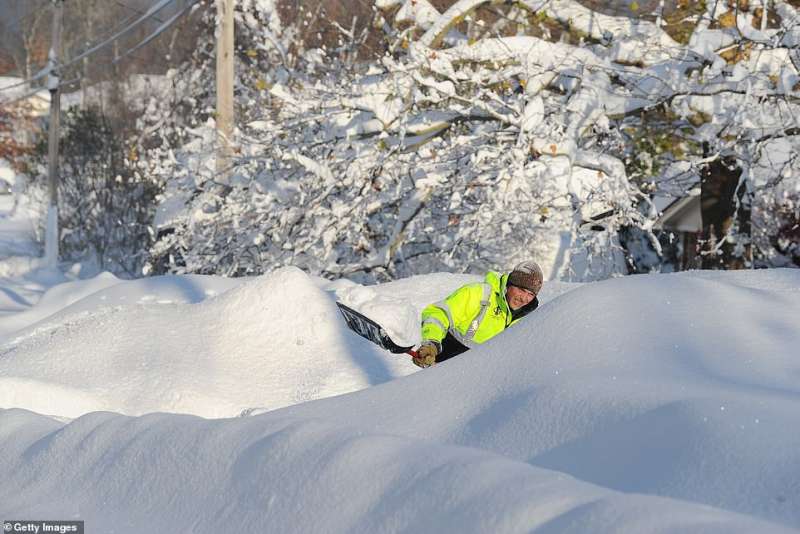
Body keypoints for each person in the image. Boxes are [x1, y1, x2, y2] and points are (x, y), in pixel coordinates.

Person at [413, 260, 543, 368]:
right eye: (521, 289)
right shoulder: (480, 295)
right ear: (509, 284)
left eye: (531, 294)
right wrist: (431, 343)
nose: (524, 298)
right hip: (445, 366)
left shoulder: (529, 318)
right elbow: (439, 315)